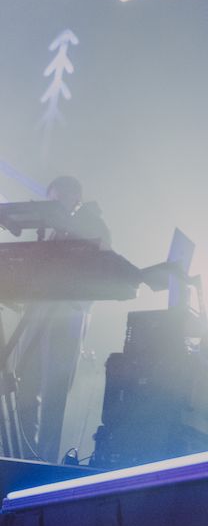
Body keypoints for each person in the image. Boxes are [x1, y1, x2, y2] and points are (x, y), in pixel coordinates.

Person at [13, 175, 111, 462]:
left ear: (74, 198)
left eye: (57, 200)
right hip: (37, 314)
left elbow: (102, 266)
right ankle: (24, 456)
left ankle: (44, 462)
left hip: (66, 315)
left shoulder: (92, 223)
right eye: (50, 200)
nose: (52, 206)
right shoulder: (51, 229)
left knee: (53, 395)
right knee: (23, 386)